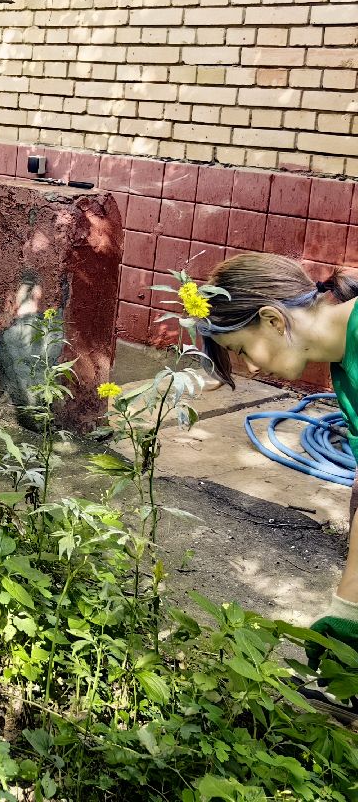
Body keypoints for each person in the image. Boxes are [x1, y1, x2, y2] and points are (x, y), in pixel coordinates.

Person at [195, 252, 358, 665]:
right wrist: (348, 616)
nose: (249, 366)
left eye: (242, 349)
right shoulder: (345, 367)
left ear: (272, 320)